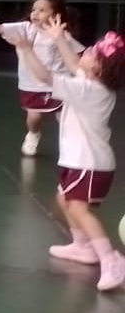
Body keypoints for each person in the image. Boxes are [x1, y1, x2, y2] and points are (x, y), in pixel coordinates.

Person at [7, 17, 125, 290]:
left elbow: (47, 77)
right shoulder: (93, 83)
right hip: (81, 161)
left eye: (93, 53)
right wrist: (59, 38)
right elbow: (73, 64)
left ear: (97, 67)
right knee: (64, 200)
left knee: (79, 209)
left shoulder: (87, 90)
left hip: (88, 164)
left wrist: (26, 51)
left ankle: (111, 260)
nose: (87, 51)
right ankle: (83, 246)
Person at [0, 0, 82, 156]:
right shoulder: (26, 28)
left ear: (55, 15)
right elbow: (1, 28)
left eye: (42, 10)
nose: (35, 13)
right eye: (34, 10)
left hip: (58, 83)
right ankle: (33, 134)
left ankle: (71, 143)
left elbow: (78, 55)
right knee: (34, 116)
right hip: (32, 85)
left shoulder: (62, 35)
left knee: (65, 117)